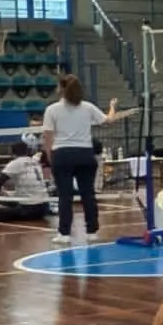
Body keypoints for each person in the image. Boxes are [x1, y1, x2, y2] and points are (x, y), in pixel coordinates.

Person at [42, 74, 119, 246]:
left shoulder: (52, 109)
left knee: (65, 196)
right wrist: (112, 107)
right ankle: (92, 232)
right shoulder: (88, 107)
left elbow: (47, 135)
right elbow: (109, 120)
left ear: (61, 89)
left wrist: (49, 155)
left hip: (62, 154)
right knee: (88, 194)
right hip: (85, 154)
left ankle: (64, 234)